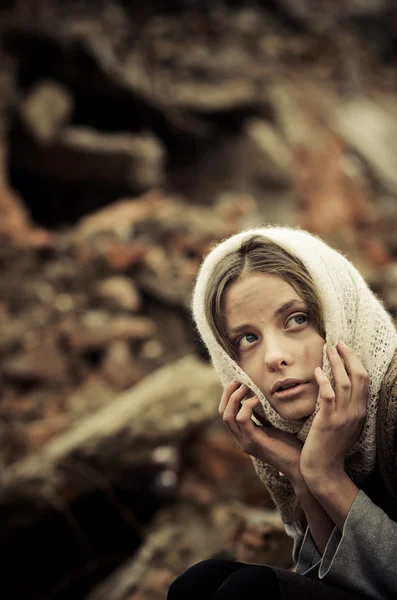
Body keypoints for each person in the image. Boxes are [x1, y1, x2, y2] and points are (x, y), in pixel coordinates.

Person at [167, 226, 397, 600]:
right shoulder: (286, 434)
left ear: (341, 312)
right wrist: (301, 474)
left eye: (297, 319)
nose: (274, 357)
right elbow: (335, 584)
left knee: (250, 593)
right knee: (198, 584)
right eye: (248, 339)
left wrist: (325, 475)